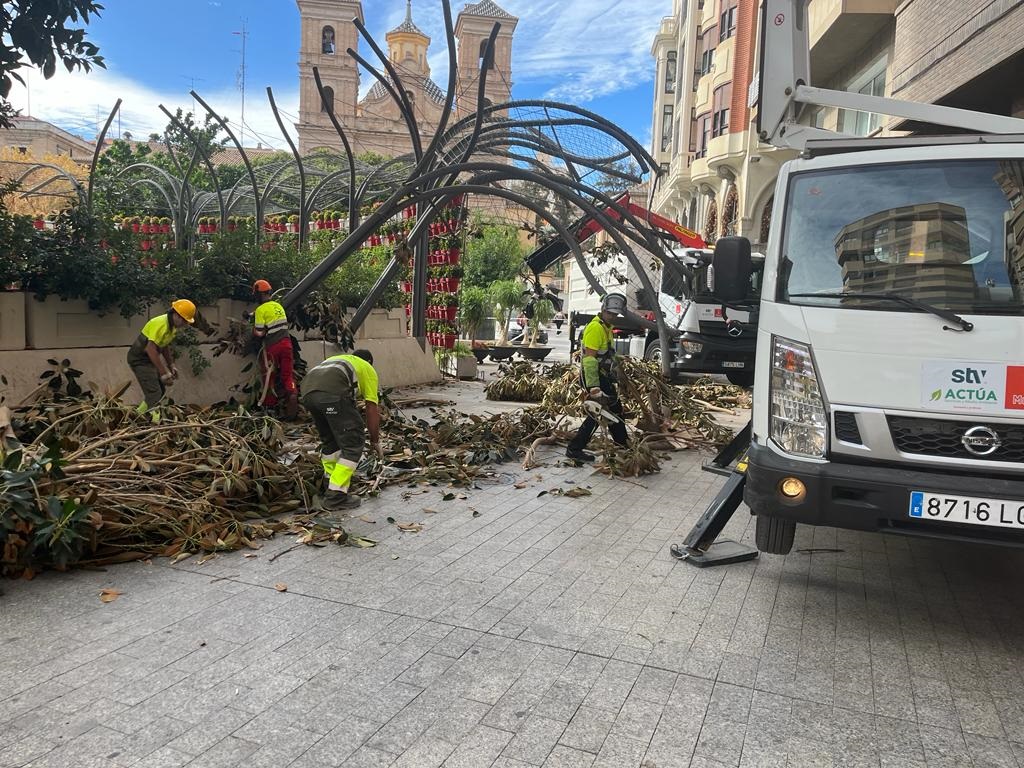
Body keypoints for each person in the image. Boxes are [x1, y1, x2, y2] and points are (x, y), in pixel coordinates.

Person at [300, 349, 383, 511]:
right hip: (332, 395)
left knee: (331, 442)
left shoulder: (339, 360)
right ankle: (336, 495)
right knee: (353, 443)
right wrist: (375, 440)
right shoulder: (367, 368)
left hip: (308, 394)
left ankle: (329, 483)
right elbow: (371, 408)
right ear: (369, 362)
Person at [565, 293, 629, 462]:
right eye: (610, 313)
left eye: (615, 314)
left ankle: (624, 444)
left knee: (615, 409)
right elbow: (590, 360)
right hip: (594, 377)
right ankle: (574, 449)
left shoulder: (606, 328)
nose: (612, 316)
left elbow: (606, 355)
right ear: (602, 310)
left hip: (603, 376)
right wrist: (594, 387)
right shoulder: (595, 328)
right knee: (597, 413)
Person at [126, 299, 196, 416]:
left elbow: (164, 346)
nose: (185, 324)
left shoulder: (171, 327)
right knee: (154, 393)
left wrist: (171, 365)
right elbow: (150, 349)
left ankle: (138, 414)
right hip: (139, 360)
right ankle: (152, 421)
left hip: (148, 359)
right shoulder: (161, 324)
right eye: (184, 320)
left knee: (160, 391)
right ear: (176, 315)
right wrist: (164, 374)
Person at [249, 280, 298, 419]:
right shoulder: (278, 306)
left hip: (273, 346)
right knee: (287, 375)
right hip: (287, 344)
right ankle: (292, 396)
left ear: (259, 295)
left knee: (268, 375)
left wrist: (253, 330)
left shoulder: (261, 310)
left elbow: (260, 333)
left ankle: (269, 407)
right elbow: (270, 315)